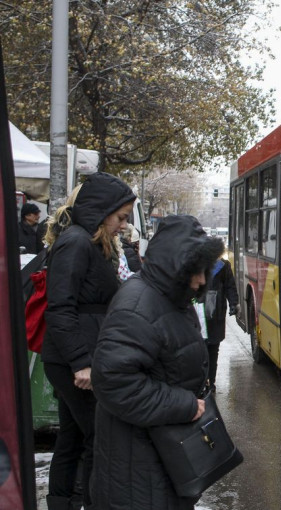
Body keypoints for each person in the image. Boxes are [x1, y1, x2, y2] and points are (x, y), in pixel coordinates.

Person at [91, 215, 225, 510]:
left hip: (159, 461)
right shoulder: (138, 306)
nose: (203, 281)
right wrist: (185, 405)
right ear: (176, 266)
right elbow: (113, 381)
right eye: (197, 271)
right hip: (139, 474)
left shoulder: (170, 298)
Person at [41, 172, 136, 510]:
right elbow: (60, 308)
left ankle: (64, 502)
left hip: (74, 356)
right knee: (98, 436)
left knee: (72, 436)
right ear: (101, 210)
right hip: (74, 360)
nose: (123, 225)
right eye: (120, 217)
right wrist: (81, 362)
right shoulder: (77, 242)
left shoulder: (87, 242)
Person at [204, 257, 239, 390]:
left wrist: (234, 303)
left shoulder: (223, 266)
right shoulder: (195, 263)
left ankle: (210, 381)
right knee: (203, 350)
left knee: (213, 349)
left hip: (216, 315)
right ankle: (205, 381)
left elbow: (230, 286)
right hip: (201, 314)